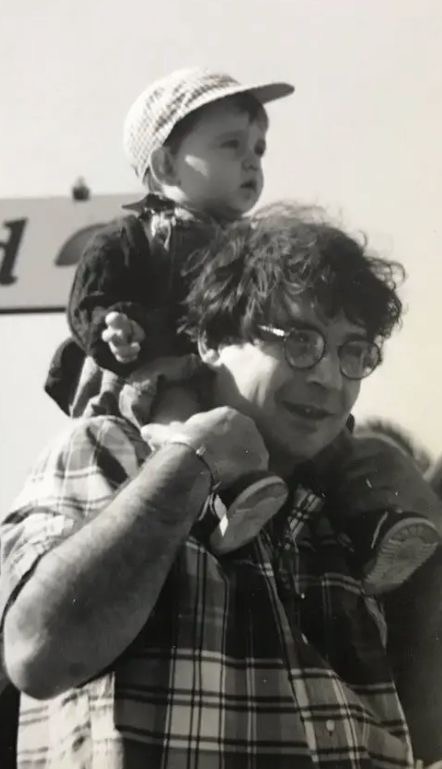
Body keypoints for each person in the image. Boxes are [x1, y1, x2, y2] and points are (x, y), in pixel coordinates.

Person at [2, 206, 441, 768]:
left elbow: (427, 734)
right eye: (299, 340)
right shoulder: (113, 451)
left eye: (353, 352)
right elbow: (38, 654)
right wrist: (190, 465)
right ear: (210, 340)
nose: (329, 378)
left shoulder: (361, 514)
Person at [44, 65, 294, 554]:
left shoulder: (256, 245)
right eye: (232, 145)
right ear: (166, 166)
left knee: (324, 430)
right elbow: (90, 299)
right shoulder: (137, 235)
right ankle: (226, 493)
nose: (252, 160)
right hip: (161, 374)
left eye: (259, 148)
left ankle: (373, 519)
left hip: (231, 379)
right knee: (181, 412)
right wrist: (111, 327)